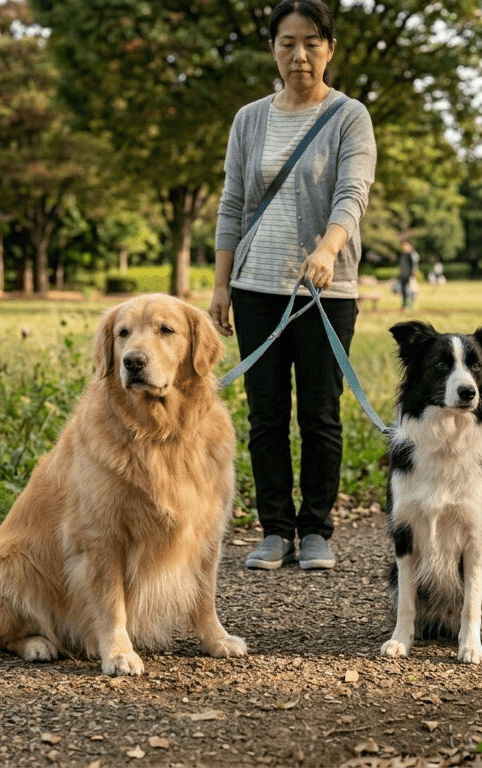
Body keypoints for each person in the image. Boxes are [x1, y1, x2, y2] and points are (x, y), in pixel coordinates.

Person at [209, 0, 376, 572]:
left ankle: (317, 532)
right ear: (273, 50)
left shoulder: (349, 116)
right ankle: (275, 530)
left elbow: (352, 194)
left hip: (325, 292)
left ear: (329, 48)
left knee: (320, 415)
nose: (299, 54)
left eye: (311, 42)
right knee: (266, 416)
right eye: (287, 43)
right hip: (255, 287)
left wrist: (328, 250)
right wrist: (221, 286)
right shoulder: (249, 119)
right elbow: (233, 205)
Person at [397, 240, 419, 310]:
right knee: (403, 291)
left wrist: (413, 275)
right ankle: (404, 305)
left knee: (410, 291)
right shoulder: (403, 255)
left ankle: (409, 305)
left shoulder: (411, 254)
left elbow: (414, 266)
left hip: (409, 276)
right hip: (403, 275)